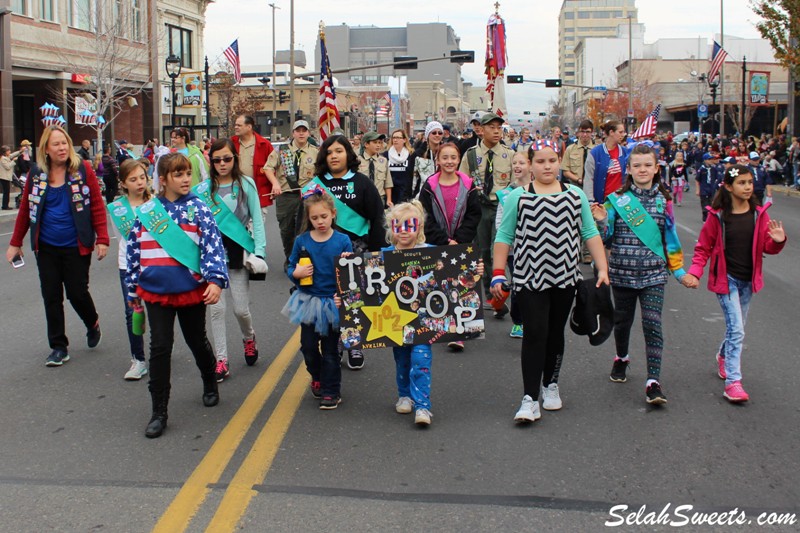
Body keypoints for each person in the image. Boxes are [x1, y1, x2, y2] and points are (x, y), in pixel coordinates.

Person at [491, 139, 609, 423]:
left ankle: (550, 384)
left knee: (555, 333)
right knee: (535, 333)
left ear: (559, 162)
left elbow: (590, 231)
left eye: (552, 160)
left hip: (565, 278)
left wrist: (602, 268)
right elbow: (504, 236)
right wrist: (497, 272)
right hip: (529, 279)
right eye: (540, 161)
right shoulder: (518, 197)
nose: (547, 166)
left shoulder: (575, 194)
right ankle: (529, 398)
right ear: (530, 165)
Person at [125, 152, 228, 438]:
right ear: (162, 180)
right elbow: (135, 252)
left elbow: (212, 246)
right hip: (156, 291)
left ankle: (209, 381)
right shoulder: (147, 212)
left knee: (196, 340)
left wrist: (216, 281)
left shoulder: (200, 208)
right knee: (159, 347)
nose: (185, 179)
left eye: (188, 174)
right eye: (178, 174)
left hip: (190, 289)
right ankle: (159, 410)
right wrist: (133, 289)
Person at [591, 144, 692, 405]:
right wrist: (602, 221)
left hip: (654, 275)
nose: (642, 169)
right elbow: (605, 238)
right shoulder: (616, 200)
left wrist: (679, 272)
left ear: (656, 168)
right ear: (629, 169)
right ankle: (621, 358)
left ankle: (653, 381)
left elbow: (670, 238)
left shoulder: (664, 200)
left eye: (648, 165)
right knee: (622, 323)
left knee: (652, 324)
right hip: (622, 273)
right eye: (637, 165)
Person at [6, 125, 109, 366]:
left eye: (64, 143)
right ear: (46, 149)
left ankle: (92, 322)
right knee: (51, 296)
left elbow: (96, 205)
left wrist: (102, 239)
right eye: (56, 144)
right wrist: (15, 243)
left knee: (77, 293)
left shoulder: (82, 170)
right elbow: (25, 211)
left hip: (75, 245)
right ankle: (58, 346)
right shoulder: (36, 174)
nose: (62, 148)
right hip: (47, 246)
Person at [683, 164, 786, 403]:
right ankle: (733, 383)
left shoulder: (759, 213)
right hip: (725, 280)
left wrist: (777, 242)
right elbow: (703, 248)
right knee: (737, 330)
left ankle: (723, 355)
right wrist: (695, 273)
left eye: (750, 182)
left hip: (748, 281)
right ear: (728, 187)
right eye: (742, 183)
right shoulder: (718, 215)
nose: (748, 187)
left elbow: (766, 247)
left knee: (735, 329)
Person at [383, 200, 479, 425]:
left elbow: (459, 272)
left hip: (424, 321)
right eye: (398, 225)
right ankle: (404, 394)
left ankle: (423, 406)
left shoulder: (432, 253)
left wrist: (476, 270)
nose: (405, 230)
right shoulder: (385, 255)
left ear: (420, 227)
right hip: (397, 321)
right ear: (391, 229)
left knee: (420, 358)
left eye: (410, 225)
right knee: (402, 359)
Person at [299, 134, 386, 371]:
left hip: (358, 249)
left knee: (354, 300)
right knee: (332, 300)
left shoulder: (362, 182)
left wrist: (377, 255)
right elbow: (304, 222)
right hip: (322, 253)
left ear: (348, 154)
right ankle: (336, 341)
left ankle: (355, 341)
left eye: (339, 151)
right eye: (329, 152)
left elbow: (378, 218)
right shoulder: (315, 185)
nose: (334, 156)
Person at [196, 139, 267, 382]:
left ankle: (249, 338)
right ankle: (222, 360)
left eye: (227, 158)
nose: (222, 163)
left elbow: (257, 219)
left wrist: (260, 251)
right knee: (216, 310)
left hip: (238, 253)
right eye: (217, 159)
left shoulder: (246, 184)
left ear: (234, 158)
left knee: (240, 309)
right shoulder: (201, 190)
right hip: (213, 256)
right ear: (211, 161)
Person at [283, 187, 352, 409]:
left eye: (324, 216)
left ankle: (332, 391)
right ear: (308, 218)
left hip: (333, 302)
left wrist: (348, 261)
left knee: (331, 350)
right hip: (309, 301)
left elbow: (351, 273)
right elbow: (291, 265)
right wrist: (296, 273)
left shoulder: (342, 240)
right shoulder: (302, 240)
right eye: (314, 218)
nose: (320, 221)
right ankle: (318, 376)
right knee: (308, 347)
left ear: (333, 213)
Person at [418, 142, 481, 351]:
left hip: (463, 243)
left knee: (462, 287)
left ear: (458, 159)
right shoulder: (429, 186)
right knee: (441, 286)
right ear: (438, 160)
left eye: (453, 157)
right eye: (445, 157)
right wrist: (444, 240)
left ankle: (459, 333)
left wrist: (460, 239)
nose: (449, 162)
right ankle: (439, 327)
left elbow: (474, 214)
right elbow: (424, 216)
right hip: (438, 243)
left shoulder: (468, 184)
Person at [460, 112, 514, 309]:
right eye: (492, 127)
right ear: (481, 130)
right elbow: (464, 183)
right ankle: (491, 296)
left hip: (502, 207)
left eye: (499, 127)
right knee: (482, 252)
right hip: (480, 207)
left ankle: (501, 291)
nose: (496, 131)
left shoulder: (509, 154)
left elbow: (515, 183)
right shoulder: (471, 155)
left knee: (499, 250)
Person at [106, 159, 150, 380]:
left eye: (142, 177)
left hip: (154, 264)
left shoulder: (155, 204)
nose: (139, 182)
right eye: (133, 179)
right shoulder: (117, 209)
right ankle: (138, 359)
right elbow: (120, 237)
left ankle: (161, 348)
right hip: (128, 265)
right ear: (123, 183)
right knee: (132, 312)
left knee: (159, 311)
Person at [264, 120, 318, 269]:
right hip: (286, 196)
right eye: (298, 130)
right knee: (286, 230)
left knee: (304, 228)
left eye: (304, 130)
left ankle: (302, 258)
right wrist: (275, 183)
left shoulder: (315, 152)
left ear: (308, 133)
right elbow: (268, 168)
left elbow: (321, 174)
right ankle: (289, 256)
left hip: (307, 197)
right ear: (293, 133)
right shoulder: (282, 151)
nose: (301, 133)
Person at [495, 150, 534, 339]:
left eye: (521, 163)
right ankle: (518, 321)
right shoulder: (506, 193)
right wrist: (507, 240)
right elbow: (500, 220)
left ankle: (533, 320)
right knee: (519, 284)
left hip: (535, 247)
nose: (517, 167)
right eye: (514, 163)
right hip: (514, 249)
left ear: (530, 165)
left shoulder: (539, 189)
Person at [232, 114, 275, 226]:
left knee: (256, 230)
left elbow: (273, 168)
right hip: (236, 195)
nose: (236, 127)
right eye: (235, 125)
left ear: (249, 127)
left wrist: (274, 185)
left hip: (258, 195)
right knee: (239, 230)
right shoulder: (231, 143)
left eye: (239, 125)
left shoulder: (264, 145)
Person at [584, 120, 631, 203]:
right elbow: (588, 179)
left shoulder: (625, 152)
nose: (623, 135)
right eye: (620, 132)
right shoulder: (595, 153)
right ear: (611, 132)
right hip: (602, 202)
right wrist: (590, 201)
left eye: (623, 132)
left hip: (622, 202)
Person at [358, 132, 393, 207]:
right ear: (366, 144)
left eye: (380, 143)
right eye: (375, 142)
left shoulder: (383, 161)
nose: (378, 145)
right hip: (362, 198)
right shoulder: (357, 161)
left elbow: (388, 182)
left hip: (379, 197)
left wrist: (389, 199)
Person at [413, 121, 445, 198]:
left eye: (440, 133)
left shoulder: (446, 153)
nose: (437, 135)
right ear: (428, 135)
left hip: (443, 196)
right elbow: (412, 180)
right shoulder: (418, 155)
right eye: (434, 133)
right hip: (423, 196)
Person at [385, 129, 416, 205]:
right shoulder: (385, 155)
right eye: (394, 137)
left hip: (405, 193)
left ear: (404, 140)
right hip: (390, 193)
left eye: (398, 138)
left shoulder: (411, 155)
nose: (395, 140)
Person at [695, 152, 721, 221]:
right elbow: (697, 180)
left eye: (712, 159)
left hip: (711, 189)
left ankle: (710, 218)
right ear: (705, 160)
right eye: (709, 159)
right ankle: (705, 218)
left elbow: (717, 178)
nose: (711, 161)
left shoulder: (714, 169)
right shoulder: (702, 169)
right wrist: (698, 190)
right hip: (704, 189)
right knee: (705, 204)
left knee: (711, 203)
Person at [1, 145, 21, 210]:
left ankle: (5, 205)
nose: (10, 151)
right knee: (6, 192)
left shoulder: (7, 157)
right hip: (4, 177)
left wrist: (20, 151)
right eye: (8, 150)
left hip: (6, 177)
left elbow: (13, 154)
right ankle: (5, 206)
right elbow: (8, 166)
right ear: (5, 152)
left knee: (7, 191)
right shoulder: (2, 159)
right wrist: (13, 161)